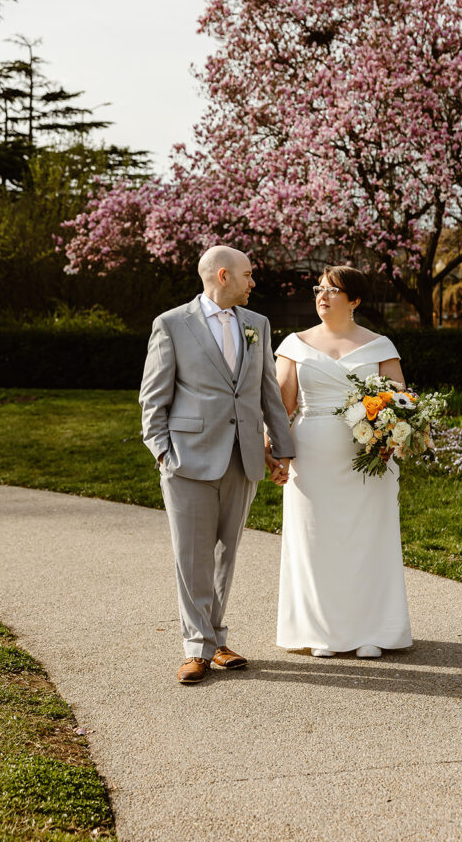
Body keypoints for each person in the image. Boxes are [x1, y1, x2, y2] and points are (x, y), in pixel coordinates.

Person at [140, 245, 295, 684]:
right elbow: (153, 398)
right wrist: (162, 453)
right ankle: (197, 648)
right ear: (223, 276)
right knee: (193, 556)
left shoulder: (257, 325)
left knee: (227, 553)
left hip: (243, 456)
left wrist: (281, 449)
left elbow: (267, 390)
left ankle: (214, 639)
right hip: (187, 458)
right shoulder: (171, 324)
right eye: (248, 275)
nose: (253, 283)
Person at [271, 265, 412, 659]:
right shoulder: (295, 345)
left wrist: (388, 436)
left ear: (355, 301)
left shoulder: (380, 346)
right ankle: (321, 632)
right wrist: (275, 451)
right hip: (312, 457)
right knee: (315, 540)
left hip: (368, 459)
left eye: (333, 290)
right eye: (319, 288)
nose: (323, 296)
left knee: (368, 539)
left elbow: (400, 402)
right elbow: (281, 407)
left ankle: (371, 630)